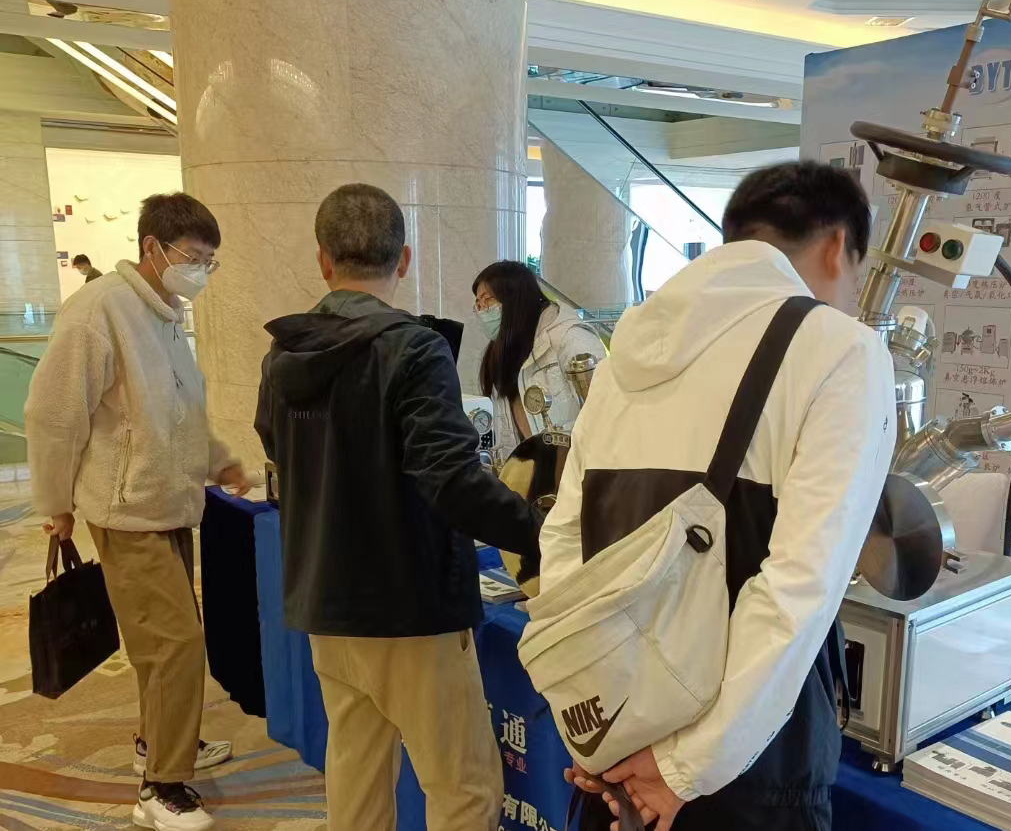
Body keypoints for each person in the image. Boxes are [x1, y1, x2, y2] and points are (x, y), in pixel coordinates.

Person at [541, 161, 896, 831]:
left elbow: (565, 548)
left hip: (620, 742)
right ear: (835, 248)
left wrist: (593, 727)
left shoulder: (626, 354)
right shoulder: (842, 351)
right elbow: (798, 588)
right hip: (752, 767)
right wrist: (682, 769)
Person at [254, 183, 542, 831]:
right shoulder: (413, 348)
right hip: (411, 609)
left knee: (356, 778)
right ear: (404, 259)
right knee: (464, 790)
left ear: (323, 260)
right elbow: (452, 481)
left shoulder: (284, 351)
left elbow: (276, 447)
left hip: (327, 606)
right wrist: (543, 532)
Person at [25, 193, 248, 831]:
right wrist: (56, 504)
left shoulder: (165, 315)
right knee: (177, 643)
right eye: (193, 257)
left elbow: (180, 411)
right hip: (126, 510)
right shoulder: (99, 311)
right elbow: (54, 414)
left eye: (209, 260)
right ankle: (161, 787)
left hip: (170, 502)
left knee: (159, 643)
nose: (200, 271)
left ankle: (160, 741)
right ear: (153, 247)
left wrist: (220, 462)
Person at [473, 260, 604, 465]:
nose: (482, 310)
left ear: (515, 298)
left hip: (576, 473)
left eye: (487, 300)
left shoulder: (571, 338)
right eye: (478, 304)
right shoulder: (502, 353)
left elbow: (606, 417)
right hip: (530, 477)